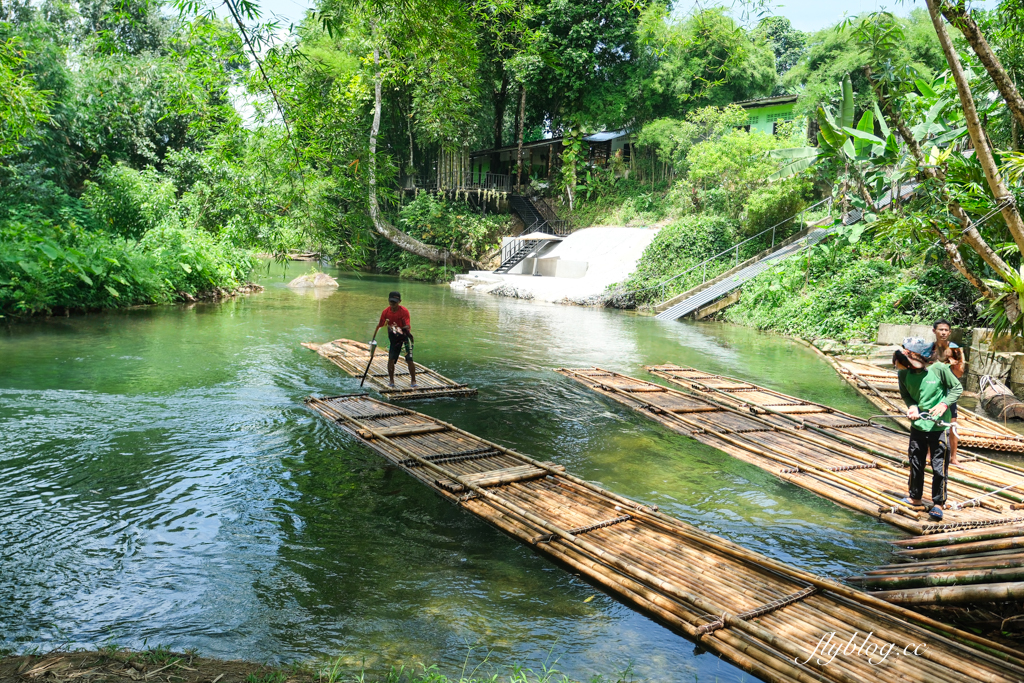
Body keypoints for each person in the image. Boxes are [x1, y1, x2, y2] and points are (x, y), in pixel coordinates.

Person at [894, 337, 962, 521]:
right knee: (916, 461)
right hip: (918, 425)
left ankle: (938, 503)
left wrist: (944, 404)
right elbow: (906, 394)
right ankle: (915, 497)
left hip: (939, 427)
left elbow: (957, 388)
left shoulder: (939, 369)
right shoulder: (903, 373)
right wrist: (912, 406)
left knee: (939, 466)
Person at [928, 319, 965, 466]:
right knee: (930, 422)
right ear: (934, 331)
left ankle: (953, 457)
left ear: (949, 332)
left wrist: (951, 364)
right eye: (940, 330)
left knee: (952, 424)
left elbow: (960, 372)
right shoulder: (929, 348)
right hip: (932, 390)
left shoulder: (955, 349)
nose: (943, 332)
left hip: (949, 391)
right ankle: (929, 454)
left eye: (946, 330)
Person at [372, 291, 416, 388]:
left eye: (395, 302)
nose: (393, 304)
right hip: (393, 338)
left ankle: (413, 380)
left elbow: (407, 326)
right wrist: (374, 339)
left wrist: (397, 328)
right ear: (388, 301)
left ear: (399, 301)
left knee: (409, 359)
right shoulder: (385, 312)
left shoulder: (404, 311)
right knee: (391, 359)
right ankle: (391, 380)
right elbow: (380, 326)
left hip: (404, 337)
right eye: (391, 302)